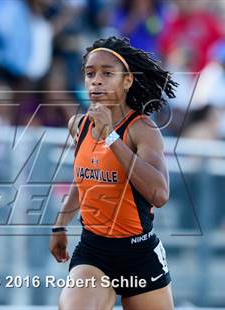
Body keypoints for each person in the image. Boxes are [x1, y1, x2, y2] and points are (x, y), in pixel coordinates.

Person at [49, 36, 177, 309]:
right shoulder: (79, 125)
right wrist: (60, 223)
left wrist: (111, 137)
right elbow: (86, 179)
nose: (96, 81)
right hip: (94, 251)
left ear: (127, 80)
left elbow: (159, 194)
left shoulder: (143, 129)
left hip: (139, 253)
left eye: (107, 74)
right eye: (90, 73)